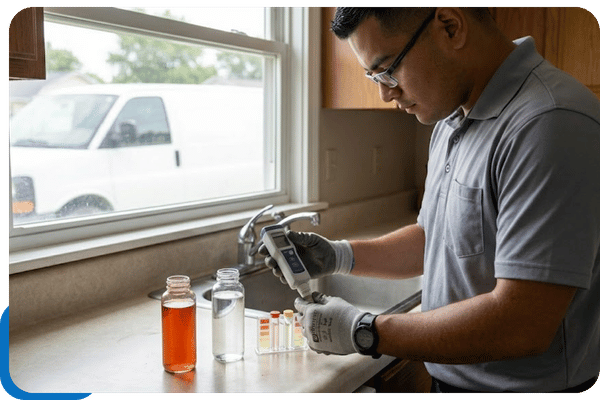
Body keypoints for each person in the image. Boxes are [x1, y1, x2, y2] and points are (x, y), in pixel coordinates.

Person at [259, 6, 600, 394]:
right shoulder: (450, 117)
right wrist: (339, 255)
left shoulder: (549, 123)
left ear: (450, 27)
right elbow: (437, 238)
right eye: (373, 77)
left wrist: (366, 331)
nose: (386, 93)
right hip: (453, 380)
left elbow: (522, 323)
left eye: (388, 69)